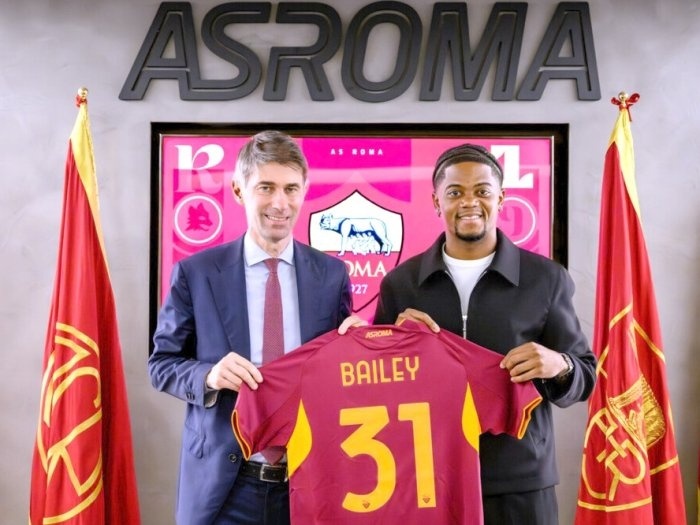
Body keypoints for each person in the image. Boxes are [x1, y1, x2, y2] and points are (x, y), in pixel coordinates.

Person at [373, 143, 597, 525]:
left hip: (521, 486)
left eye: (482, 191)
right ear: (436, 202)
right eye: (455, 192)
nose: (469, 202)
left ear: (501, 198)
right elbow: (378, 384)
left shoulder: (545, 278)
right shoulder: (401, 284)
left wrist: (559, 364)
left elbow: (586, 377)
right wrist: (390, 345)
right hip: (428, 479)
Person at [149, 130, 357, 525]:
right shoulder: (196, 273)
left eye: (291, 189)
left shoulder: (332, 275)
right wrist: (208, 376)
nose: (280, 203)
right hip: (224, 490)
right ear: (238, 190)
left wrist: (360, 345)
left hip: (309, 484)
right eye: (266, 187)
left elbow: (340, 371)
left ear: (304, 191)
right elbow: (162, 364)